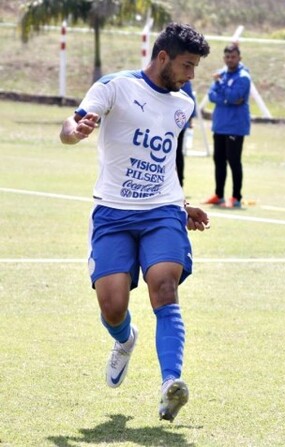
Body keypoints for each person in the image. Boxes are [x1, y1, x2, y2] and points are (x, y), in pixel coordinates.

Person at [59, 23, 211, 423]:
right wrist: (76, 133)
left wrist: (183, 204)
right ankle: (125, 339)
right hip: (112, 212)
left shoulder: (183, 105)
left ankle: (170, 385)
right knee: (112, 307)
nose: (191, 75)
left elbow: (167, 164)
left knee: (164, 286)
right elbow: (69, 125)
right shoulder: (114, 87)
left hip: (162, 211)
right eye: (187, 65)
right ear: (163, 57)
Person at [203, 43, 251, 208]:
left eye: (233, 57)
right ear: (224, 58)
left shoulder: (243, 77)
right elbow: (211, 95)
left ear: (239, 58)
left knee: (234, 161)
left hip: (235, 126)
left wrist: (222, 88)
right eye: (227, 57)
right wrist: (226, 98)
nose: (230, 60)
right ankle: (219, 195)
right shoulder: (221, 74)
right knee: (219, 160)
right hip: (220, 124)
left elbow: (235, 97)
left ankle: (236, 197)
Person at [176, 80, 197, 187]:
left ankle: (180, 182)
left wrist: (190, 119)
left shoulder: (184, 80)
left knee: (177, 153)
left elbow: (190, 100)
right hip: (161, 122)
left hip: (177, 123)